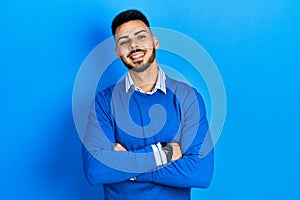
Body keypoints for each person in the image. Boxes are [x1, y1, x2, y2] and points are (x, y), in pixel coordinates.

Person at [82, 9, 214, 200]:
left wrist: (128, 168)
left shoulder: (188, 97)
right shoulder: (104, 102)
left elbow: (201, 172)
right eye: (124, 41)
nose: (133, 45)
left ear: (155, 41)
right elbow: (96, 170)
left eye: (140, 37)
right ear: (118, 53)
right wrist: (165, 153)